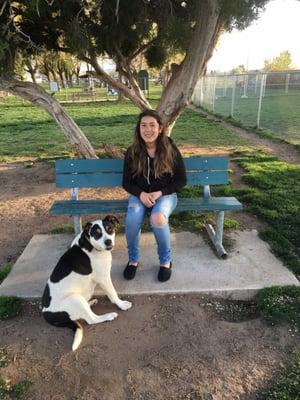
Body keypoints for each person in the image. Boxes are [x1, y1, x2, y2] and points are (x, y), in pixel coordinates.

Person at [122, 109, 187, 282]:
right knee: (132, 219)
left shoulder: (170, 149)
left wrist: (161, 192)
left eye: (152, 125)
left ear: (160, 128)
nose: (148, 129)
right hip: (140, 195)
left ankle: (166, 261)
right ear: (139, 129)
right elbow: (126, 183)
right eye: (144, 125)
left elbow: (181, 180)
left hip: (165, 195)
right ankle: (133, 260)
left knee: (158, 218)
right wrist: (141, 194)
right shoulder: (132, 152)